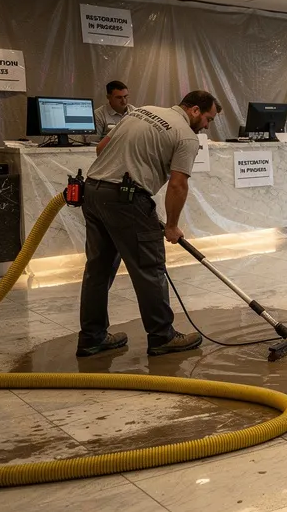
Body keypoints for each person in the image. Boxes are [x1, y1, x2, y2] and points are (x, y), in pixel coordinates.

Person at [77, 90, 222, 357]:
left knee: (98, 270)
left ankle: (92, 338)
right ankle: (162, 336)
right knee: (149, 268)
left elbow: (100, 149)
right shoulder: (186, 136)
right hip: (126, 198)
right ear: (194, 111)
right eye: (208, 119)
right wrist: (172, 226)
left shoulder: (143, 110)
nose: (206, 126)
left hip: (93, 192)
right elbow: (178, 184)